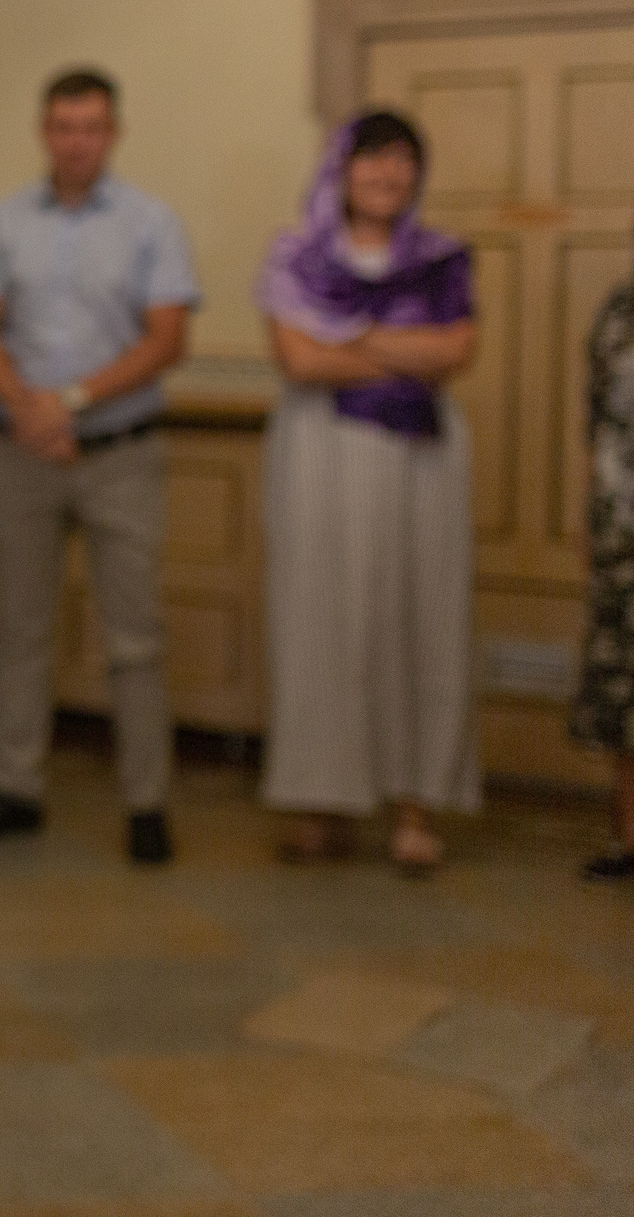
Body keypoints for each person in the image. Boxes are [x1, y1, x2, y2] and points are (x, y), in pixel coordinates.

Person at [0, 68, 199, 866]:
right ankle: (13, 786)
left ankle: (146, 799)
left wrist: (72, 402)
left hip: (121, 453)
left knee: (135, 635)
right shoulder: (2, 221)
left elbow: (166, 339)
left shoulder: (152, 222)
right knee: (20, 628)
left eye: (91, 126)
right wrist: (30, 406)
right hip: (18, 450)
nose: (77, 140)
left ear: (113, 132)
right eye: (63, 126)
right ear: (44, 131)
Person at [257, 110, 480, 873]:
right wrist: (401, 349)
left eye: (402, 161)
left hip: (421, 457)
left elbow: (457, 349)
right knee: (322, 613)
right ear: (340, 169)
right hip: (320, 451)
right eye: (371, 159)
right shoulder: (297, 255)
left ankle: (414, 807)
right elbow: (301, 363)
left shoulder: (441, 256)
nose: (387, 175)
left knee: (419, 613)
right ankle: (322, 800)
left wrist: (350, 335)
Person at [571, 260, 634, 883]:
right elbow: (597, 428)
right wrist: (592, 525)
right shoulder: (619, 311)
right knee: (622, 683)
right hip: (622, 530)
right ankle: (627, 838)